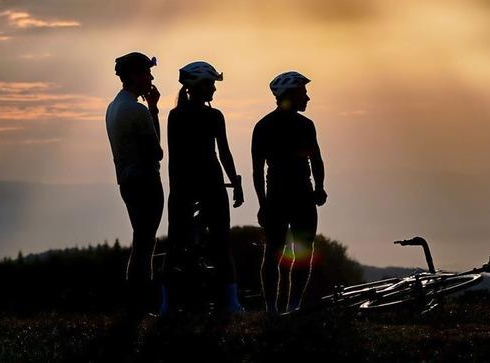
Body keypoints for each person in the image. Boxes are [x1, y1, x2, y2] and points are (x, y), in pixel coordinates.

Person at [167, 61, 245, 312]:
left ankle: (167, 305)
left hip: (183, 186)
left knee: (176, 245)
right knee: (222, 244)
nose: (214, 89)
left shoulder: (175, 115)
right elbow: (224, 152)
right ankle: (231, 303)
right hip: (212, 184)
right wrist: (235, 181)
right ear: (199, 86)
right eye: (211, 84)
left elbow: (174, 156)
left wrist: (174, 191)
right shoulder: (214, 116)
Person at [252, 71, 327, 314]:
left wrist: (263, 204)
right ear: (290, 95)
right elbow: (316, 160)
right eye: (303, 93)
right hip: (301, 195)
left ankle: (274, 308)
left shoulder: (263, 126)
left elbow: (257, 170)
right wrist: (318, 188)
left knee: (273, 252)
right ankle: (291, 306)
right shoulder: (305, 126)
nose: (307, 98)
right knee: (301, 251)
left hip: (276, 195)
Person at [105, 52, 163, 325]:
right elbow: (157, 152)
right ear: (134, 76)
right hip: (145, 180)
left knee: (141, 241)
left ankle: (135, 304)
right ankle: (140, 305)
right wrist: (154, 110)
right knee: (145, 243)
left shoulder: (113, 107)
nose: (151, 78)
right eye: (146, 73)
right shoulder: (137, 111)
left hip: (126, 180)